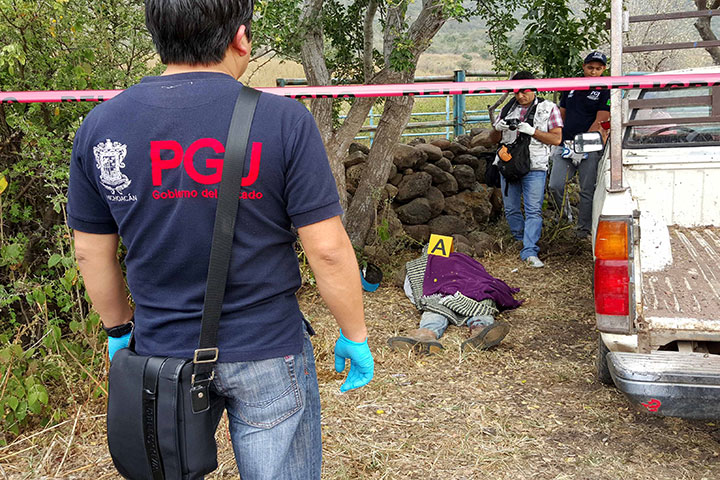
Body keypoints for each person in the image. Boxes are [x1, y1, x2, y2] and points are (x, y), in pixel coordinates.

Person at [66, 1, 373, 478]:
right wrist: (354, 334)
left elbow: (90, 252)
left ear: (157, 35)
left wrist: (118, 330)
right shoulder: (284, 121)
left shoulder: (102, 127)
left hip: (161, 352)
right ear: (241, 37)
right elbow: (328, 250)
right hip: (268, 346)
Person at [387, 247, 521, 353]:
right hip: (471, 292)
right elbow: (484, 278)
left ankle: (425, 334)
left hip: (440, 295)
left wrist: (422, 299)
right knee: (481, 302)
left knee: (434, 309)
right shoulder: (465, 260)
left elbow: (414, 288)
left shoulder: (419, 265)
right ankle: (481, 330)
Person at [492, 71, 563, 268]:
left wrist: (533, 131)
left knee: (533, 210)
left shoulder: (549, 108)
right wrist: (498, 128)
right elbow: (493, 139)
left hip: (535, 165)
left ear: (534, 89)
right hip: (509, 164)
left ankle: (530, 250)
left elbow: (556, 138)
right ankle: (520, 240)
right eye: (516, 92)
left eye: (524, 91)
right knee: (511, 208)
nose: (520, 96)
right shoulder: (507, 109)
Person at [548, 51, 611, 240]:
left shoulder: (606, 89)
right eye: (590, 67)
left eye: (598, 68)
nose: (593, 72)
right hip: (565, 143)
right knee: (555, 185)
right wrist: (557, 136)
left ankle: (583, 229)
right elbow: (562, 114)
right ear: (584, 67)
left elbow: (601, 120)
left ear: (603, 69)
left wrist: (582, 143)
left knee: (587, 189)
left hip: (589, 145)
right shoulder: (571, 86)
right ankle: (564, 218)